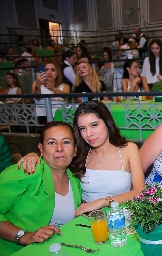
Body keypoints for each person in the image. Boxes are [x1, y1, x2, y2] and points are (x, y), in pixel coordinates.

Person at [18, 101, 146, 217]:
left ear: (107, 123)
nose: (89, 134)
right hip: (86, 219)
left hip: (120, 216)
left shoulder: (129, 149)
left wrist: (102, 202)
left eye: (94, 125)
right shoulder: (78, 153)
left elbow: (139, 191)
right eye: (82, 129)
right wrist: (34, 155)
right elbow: (54, 156)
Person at [0, 121, 81, 255]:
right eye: (51, 142)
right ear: (41, 149)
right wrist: (23, 236)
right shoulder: (26, 172)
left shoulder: (74, 181)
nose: (59, 148)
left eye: (66, 142)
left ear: (75, 150)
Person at [32, 59, 70, 124]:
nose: (49, 73)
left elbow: (66, 96)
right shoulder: (36, 84)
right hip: (43, 116)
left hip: (62, 117)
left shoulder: (65, 86)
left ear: (57, 73)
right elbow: (36, 97)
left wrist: (53, 89)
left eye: (53, 70)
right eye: (46, 70)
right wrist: (38, 86)